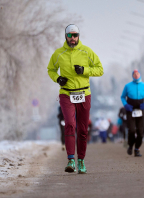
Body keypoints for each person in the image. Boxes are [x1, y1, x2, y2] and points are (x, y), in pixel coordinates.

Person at [47, 24, 103, 173]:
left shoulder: (87, 52)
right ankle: (70, 160)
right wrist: (58, 79)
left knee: (83, 129)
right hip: (66, 94)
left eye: (75, 35)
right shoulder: (58, 53)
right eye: (70, 35)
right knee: (70, 124)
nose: (73, 38)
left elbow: (100, 69)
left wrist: (85, 70)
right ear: (65, 36)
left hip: (84, 94)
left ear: (79, 36)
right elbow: (50, 69)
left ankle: (81, 161)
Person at [121, 69, 144, 157]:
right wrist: (126, 105)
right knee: (132, 130)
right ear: (132, 75)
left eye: (137, 74)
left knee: (141, 132)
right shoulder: (127, 86)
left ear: (140, 75)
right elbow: (122, 97)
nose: (136, 75)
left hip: (140, 110)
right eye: (134, 74)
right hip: (130, 110)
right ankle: (130, 145)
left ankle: (137, 148)